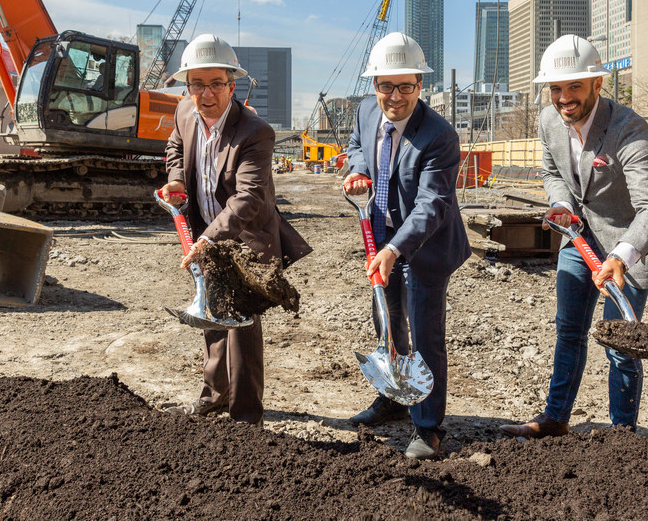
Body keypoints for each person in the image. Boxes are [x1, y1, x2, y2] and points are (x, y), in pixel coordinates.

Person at [500, 35, 648, 439]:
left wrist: (622, 255)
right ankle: (555, 419)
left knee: (621, 344)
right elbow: (551, 172)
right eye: (557, 88)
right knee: (569, 331)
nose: (564, 97)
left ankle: (621, 435)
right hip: (578, 239)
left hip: (628, 245)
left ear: (598, 84)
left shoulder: (628, 129)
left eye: (575, 87)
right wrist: (560, 202)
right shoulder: (549, 121)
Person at [158, 33, 311, 425]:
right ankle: (214, 395)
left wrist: (208, 240)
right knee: (209, 311)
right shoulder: (184, 113)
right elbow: (175, 147)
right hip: (204, 231)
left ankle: (246, 415)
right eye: (197, 84)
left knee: (240, 323)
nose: (206, 94)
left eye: (215, 85)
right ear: (187, 85)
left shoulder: (255, 132)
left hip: (245, 237)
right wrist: (176, 179)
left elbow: (248, 199)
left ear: (232, 85)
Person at [343, 32, 471, 460]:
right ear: (373, 84)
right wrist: (358, 171)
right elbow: (357, 148)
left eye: (406, 87)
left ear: (421, 85)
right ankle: (393, 399)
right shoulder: (364, 111)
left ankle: (429, 426)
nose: (395, 97)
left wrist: (396, 249)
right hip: (379, 237)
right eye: (386, 86)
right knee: (388, 321)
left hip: (425, 247)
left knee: (425, 333)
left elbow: (432, 204)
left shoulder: (438, 136)